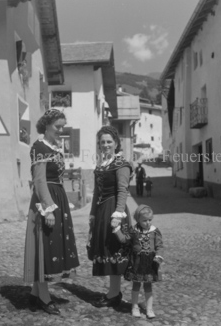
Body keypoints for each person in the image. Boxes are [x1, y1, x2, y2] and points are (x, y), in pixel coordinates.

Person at [23, 109, 80, 315]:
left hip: (58, 197)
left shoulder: (54, 147)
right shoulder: (39, 147)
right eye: (58, 126)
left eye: (63, 126)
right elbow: (39, 180)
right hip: (46, 200)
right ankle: (44, 298)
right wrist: (47, 210)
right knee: (45, 247)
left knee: (50, 245)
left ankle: (35, 293)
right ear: (46, 125)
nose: (61, 130)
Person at [88, 126, 133, 308]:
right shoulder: (101, 164)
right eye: (102, 142)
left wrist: (118, 215)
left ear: (115, 143)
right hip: (101, 211)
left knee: (114, 251)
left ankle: (114, 293)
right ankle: (114, 292)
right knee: (107, 251)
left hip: (115, 210)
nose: (105, 145)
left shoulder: (121, 164)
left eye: (108, 142)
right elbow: (97, 191)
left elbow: (123, 190)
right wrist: (92, 214)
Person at [113, 205, 164, 319]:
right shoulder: (133, 231)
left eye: (150, 220)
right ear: (138, 219)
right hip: (137, 262)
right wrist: (116, 230)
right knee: (136, 284)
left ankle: (149, 308)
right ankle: (134, 307)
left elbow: (159, 245)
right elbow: (124, 240)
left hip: (150, 262)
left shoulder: (154, 231)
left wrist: (158, 256)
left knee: (148, 285)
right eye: (144, 220)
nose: (148, 223)